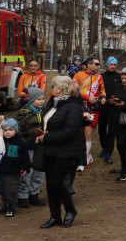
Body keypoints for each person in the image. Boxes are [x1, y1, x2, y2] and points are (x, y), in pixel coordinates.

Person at [37, 76, 86, 229]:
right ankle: (55, 216)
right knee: (50, 184)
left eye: (52, 86)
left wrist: (47, 137)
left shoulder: (74, 106)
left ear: (59, 89)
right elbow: (47, 122)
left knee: (56, 181)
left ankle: (71, 210)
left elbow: (70, 131)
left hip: (66, 150)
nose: (51, 89)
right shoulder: (52, 103)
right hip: (49, 148)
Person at [13, 87, 46, 208]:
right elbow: (18, 131)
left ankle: (34, 194)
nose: (42, 101)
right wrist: (25, 142)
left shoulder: (45, 111)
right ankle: (23, 196)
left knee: (39, 172)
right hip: (28, 148)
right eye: (39, 99)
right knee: (27, 172)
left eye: (43, 99)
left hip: (41, 147)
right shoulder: (23, 113)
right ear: (31, 99)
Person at [73, 57, 105, 171]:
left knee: (88, 133)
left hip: (94, 109)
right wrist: (87, 97)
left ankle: (84, 159)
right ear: (89, 65)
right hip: (80, 107)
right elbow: (74, 91)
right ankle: (85, 155)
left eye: (99, 64)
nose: (98, 66)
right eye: (96, 64)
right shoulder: (78, 75)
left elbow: (102, 90)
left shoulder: (99, 77)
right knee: (79, 133)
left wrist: (103, 98)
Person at [0, 118, 30, 217]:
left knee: (11, 189)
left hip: (13, 171)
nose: (7, 132)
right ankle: (5, 205)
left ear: (16, 130)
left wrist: (25, 167)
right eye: (4, 130)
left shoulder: (20, 142)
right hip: (1, 170)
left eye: (10, 129)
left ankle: (12, 206)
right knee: (1, 188)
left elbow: (25, 157)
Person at [99, 57, 121, 163]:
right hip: (103, 106)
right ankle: (104, 147)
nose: (113, 66)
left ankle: (109, 152)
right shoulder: (101, 76)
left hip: (114, 107)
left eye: (115, 65)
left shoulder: (119, 77)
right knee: (101, 129)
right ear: (107, 65)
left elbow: (120, 90)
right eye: (111, 64)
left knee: (112, 130)